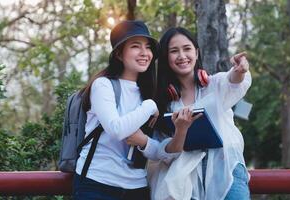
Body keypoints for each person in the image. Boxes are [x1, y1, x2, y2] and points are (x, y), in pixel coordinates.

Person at [73, 20, 180, 200]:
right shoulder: (103, 85)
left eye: (148, 47)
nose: (144, 53)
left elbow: (158, 151)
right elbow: (117, 129)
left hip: (136, 187)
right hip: (96, 184)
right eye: (135, 46)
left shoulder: (149, 92)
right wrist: (148, 106)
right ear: (119, 54)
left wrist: (143, 141)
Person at [150, 27, 252, 200]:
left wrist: (240, 70)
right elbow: (164, 153)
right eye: (174, 51)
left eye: (187, 49)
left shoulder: (214, 85)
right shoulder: (163, 104)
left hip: (226, 167)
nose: (182, 55)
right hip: (188, 179)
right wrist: (180, 130)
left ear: (196, 53)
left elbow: (233, 82)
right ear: (166, 59)